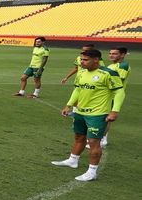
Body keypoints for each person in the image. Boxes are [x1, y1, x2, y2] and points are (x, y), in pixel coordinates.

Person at [51, 49, 124, 181]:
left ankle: (92, 172)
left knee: (93, 142)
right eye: (81, 59)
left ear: (96, 60)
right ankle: (73, 160)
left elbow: (119, 93)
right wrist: (69, 105)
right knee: (79, 137)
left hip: (97, 114)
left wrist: (114, 111)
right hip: (80, 112)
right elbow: (77, 90)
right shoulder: (82, 73)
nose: (82, 62)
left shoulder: (108, 73)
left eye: (85, 60)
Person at [101, 47, 130, 148]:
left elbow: (118, 81)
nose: (111, 55)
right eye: (110, 53)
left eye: (114, 54)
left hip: (113, 95)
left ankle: (103, 139)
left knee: (107, 117)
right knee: (103, 115)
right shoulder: (112, 65)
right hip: (107, 95)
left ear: (122, 55)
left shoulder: (123, 66)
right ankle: (102, 137)